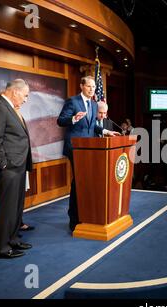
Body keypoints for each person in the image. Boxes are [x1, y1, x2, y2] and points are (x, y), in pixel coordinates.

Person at [57, 76, 119, 231]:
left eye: (93, 87)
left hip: (89, 149)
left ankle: (86, 215)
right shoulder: (73, 101)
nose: (92, 89)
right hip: (75, 148)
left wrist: (105, 131)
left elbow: (92, 126)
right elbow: (60, 120)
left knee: (85, 182)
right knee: (79, 182)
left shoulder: (93, 104)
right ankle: (74, 219)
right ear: (81, 86)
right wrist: (73, 118)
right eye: (89, 86)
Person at [0, 79, 33, 258]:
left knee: (16, 207)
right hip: (8, 168)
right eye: (25, 95)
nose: (26, 99)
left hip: (18, 166)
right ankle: (1, 249)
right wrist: (3, 165)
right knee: (7, 208)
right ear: (15, 92)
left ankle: (12, 240)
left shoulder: (10, 108)